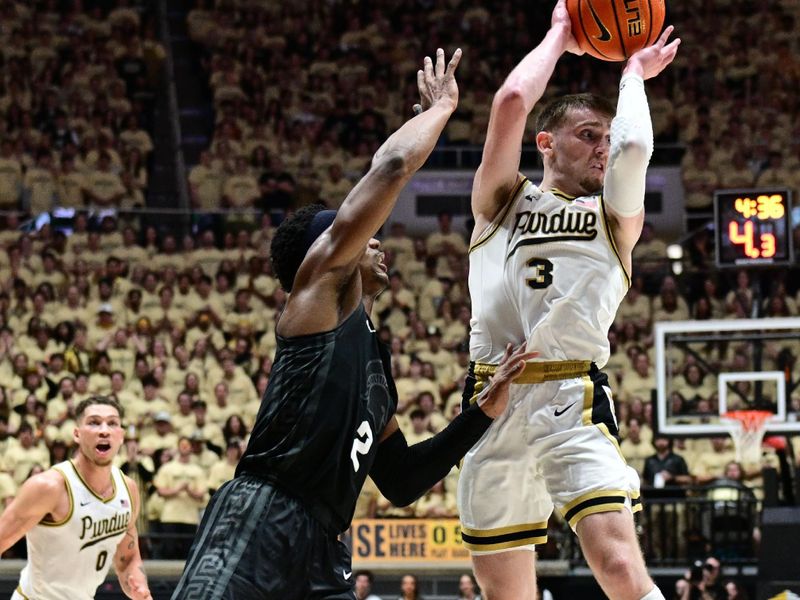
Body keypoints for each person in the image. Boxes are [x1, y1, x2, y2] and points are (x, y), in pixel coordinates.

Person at [172, 49, 536, 600]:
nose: (378, 241)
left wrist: (483, 411)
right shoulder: (315, 300)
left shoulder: (375, 365)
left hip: (326, 544)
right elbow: (391, 168)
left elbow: (403, 480)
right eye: (364, 237)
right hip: (262, 514)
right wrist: (440, 110)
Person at [458, 2, 680, 598]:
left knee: (617, 567)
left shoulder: (613, 218)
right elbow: (508, 102)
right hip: (489, 403)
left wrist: (633, 74)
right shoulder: (501, 201)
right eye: (588, 136)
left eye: (605, 137)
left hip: (570, 399)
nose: (603, 148)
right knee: (507, 594)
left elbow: (634, 151)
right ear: (547, 144)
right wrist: (559, 33)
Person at [0, 396, 151, 599]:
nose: (104, 430)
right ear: (77, 434)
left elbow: (128, 558)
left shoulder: (128, 489)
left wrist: (139, 588)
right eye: (94, 422)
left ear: (121, 436)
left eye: (112, 423)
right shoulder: (49, 487)